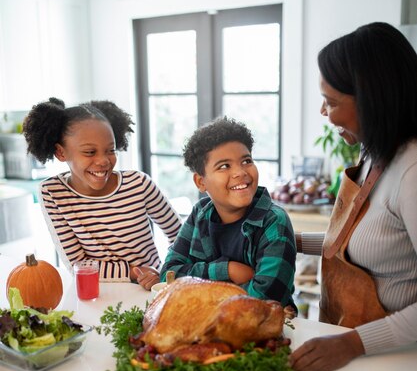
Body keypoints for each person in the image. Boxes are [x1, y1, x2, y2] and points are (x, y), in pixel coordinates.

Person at [290, 22, 417, 371]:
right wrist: (293, 241)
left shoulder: (412, 172)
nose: (323, 113)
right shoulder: (373, 154)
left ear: (372, 100)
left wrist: (354, 343)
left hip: (397, 359)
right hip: (352, 341)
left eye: (330, 102)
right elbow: (351, 243)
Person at [23, 98, 182, 290]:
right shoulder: (53, 193)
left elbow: (181, 237)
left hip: (148, 290)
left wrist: (165, 273)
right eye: (90, 152)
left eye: (110, 150)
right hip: (95, 295)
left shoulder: (138, 184)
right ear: (61, 152)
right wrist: (134, 271)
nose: (103, 160)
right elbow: (78, 265)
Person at [160, 116, 296, 306]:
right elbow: (168, 275)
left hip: (265, 331)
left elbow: (263, 299)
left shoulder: (274, 222)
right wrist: (226, 270)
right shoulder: (200, 213)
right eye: (224, 166)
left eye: (246, 161)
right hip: (207, 326)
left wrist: (199, 288)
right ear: (201, 182)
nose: (240, 172)